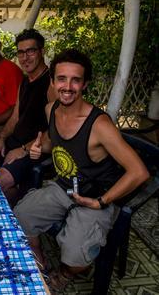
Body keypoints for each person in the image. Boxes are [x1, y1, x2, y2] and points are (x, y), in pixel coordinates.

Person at [13, 49, 149, 291]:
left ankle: (64, 273)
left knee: (76, 256)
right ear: (52, 82)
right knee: (19, 216)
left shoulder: (100, 125)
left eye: (75, 80)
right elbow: (51, 141)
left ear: (84, 84)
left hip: (96, 196)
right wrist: (37, 147)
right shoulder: (51, 109)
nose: (68, 86)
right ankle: (39, 261)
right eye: (62, 79)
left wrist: (101, 201)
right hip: (64, 187)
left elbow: (139, 172)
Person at [0, 28, 55, 206]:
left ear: (42, 51)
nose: (25, 57)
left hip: (34, 152)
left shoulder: (51, 84)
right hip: (13, 143)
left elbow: (57, 131)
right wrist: (1, 138)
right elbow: (15, 116)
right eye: (21, 52)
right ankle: (16, 200)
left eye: (30, 51)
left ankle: (15, 210)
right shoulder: (25, 81)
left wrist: (24, 149)